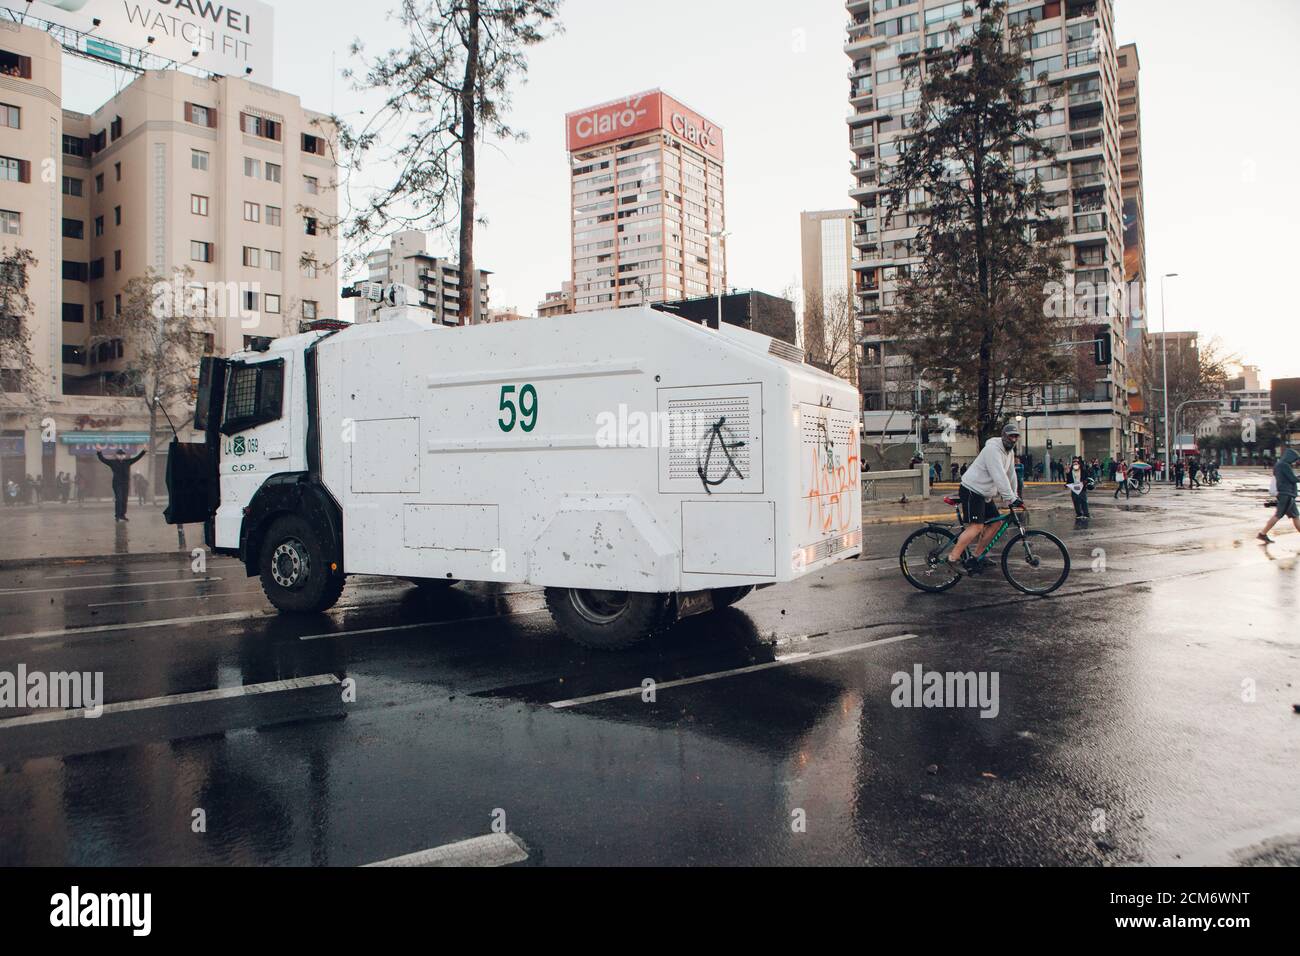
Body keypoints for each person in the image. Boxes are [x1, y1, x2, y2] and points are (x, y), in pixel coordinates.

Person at [946, 423, 1024, 575]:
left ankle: (976, 557)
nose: (1013, 439)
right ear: (1003, 436)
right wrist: (1009, 497)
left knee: (996, 523)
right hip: (972, 489)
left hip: (985, 493)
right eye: (1011, 436)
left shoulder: (1009, 452)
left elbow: (1011, 474)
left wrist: (1015, 496)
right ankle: (953, 558)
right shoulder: (992, 450)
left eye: (1016, 436)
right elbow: (999, 475)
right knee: (977, 526)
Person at [1259, 448, 1300, 544]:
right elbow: (1293, 479)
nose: (1294, 461)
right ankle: (1262, 533)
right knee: (1278, 515)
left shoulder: (1279, 465)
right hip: (1286, 494)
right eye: (1294, 459)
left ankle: (1263, 534)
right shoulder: (1284, 465)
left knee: (1296, 516)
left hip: (1286, 493)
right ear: (1289, 457)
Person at [97, 448, 146, 521]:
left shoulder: (128, 461)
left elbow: (137, 458)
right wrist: (99, 452)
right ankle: (117, 516)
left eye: (122, 455)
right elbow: (103, 459)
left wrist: (144, 451)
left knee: (124, 500)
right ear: (116, 455)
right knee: (119, 499)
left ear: (124, 456)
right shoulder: (112, 462)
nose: (121, 456)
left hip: (125, 484)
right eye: (119, 455)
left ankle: (122, 515)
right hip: (117, 484)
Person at [1067, 456, 1090, 521]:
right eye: (1074, 464)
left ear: (1079, 464)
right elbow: (1069, 479)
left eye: (1076, 464)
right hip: (1074, 487)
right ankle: (1079, 514)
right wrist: (1067, 483)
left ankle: (1086, 514)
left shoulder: (1083, 471)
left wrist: (1085, 482)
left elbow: (1087, 477)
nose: (1075, 465)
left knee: (1083, 501)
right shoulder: (1071, 472)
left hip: (1082, 487)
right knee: (1075, 501)